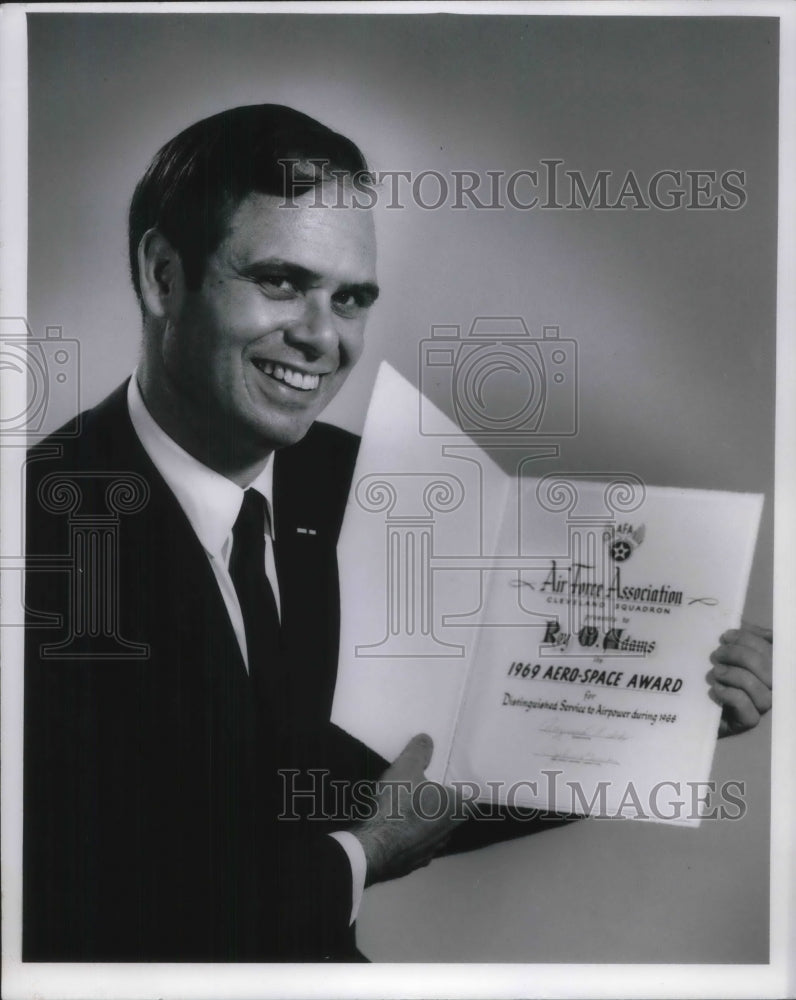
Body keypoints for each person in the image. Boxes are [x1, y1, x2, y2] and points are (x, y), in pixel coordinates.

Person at [22, 104, 773, 963]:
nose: (320, 337)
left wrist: (665, 709)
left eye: (349, 299)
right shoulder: (41, 531)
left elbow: (426, 782)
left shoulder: (362, 483)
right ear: (163, 275)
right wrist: (365, 853)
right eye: (279, 282)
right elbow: (84, 911)